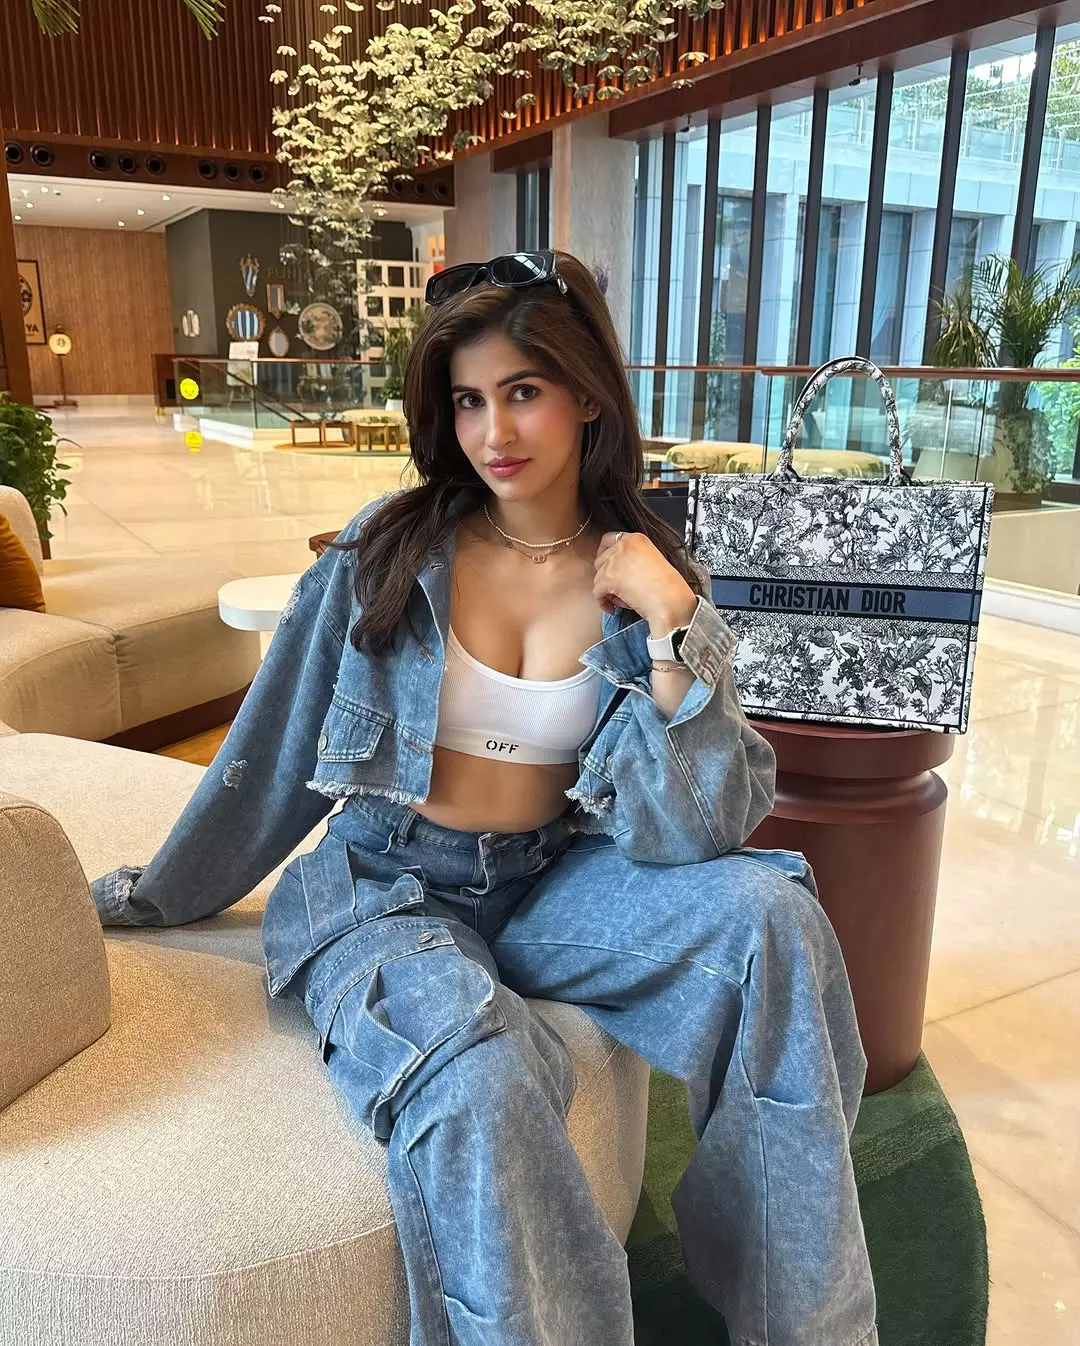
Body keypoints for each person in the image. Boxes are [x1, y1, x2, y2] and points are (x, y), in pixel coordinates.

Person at [91, 249, 878, 1346]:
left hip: (552, 877)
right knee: (484, 1077)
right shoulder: (385, 552)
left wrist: (671, 628)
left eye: (523, 390)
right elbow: (265, 757)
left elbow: (696, 828)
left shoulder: (644, 576)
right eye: (467, 400)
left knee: (775, 919)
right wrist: (160, 892)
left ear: (587, 395)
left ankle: (806, 1327)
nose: (493, 431)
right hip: (389, 887)